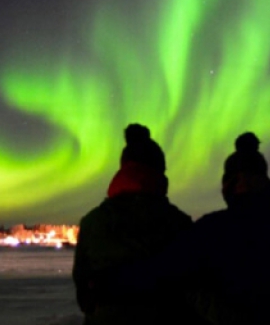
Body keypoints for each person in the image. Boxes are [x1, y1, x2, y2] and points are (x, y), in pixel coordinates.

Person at [125, 132, 270, 324]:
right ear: (265, 183)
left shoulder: (210, 229)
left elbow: (166, 270)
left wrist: (107, 282)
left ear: (230, 185)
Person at [72, 123, 196, 325]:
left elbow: (83, 287)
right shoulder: (179, 223)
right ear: (159, 173)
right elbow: (193, 285)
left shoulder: (93, 222)